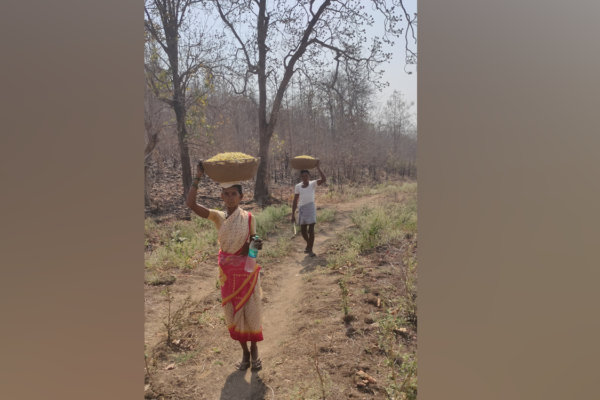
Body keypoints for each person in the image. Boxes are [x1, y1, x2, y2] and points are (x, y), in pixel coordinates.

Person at [186, 161, 264, 371]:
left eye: (234, 194)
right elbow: (191, 204)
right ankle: (245, 353)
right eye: (226, 193)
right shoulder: (218, 217)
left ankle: (255, 349)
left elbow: (253, 240)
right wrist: (197, 177)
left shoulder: (248, 217)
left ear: (241, 197)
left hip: (246, 272)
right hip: (228, 275)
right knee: (233, 311)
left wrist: (255, 246)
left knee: (251, 310)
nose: (230, 197)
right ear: (221, 196)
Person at [291, 160, 326, 257]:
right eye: (303, 176)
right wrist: (293, 214)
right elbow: (295, 200)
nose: (305, 177)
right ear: (300, 177)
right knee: (303, 231)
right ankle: (308, 244)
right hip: (302, 208)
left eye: (306, 175)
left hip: (310, 207)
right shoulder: (298, 186)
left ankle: (310, 249)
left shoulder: (313, 184)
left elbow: (324, 179)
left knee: (311, 230)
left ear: (309, 176)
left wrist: (318, 167)